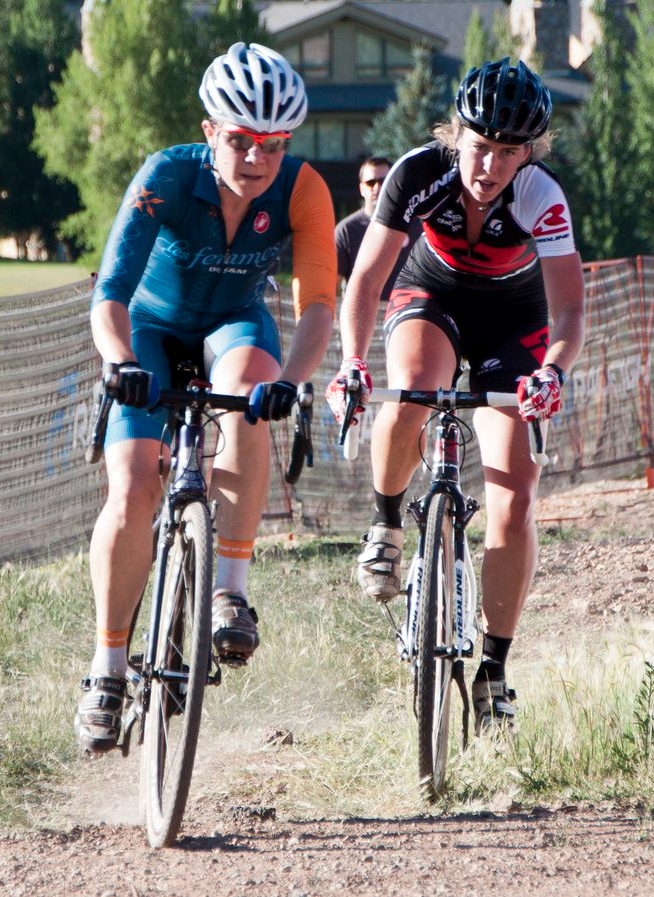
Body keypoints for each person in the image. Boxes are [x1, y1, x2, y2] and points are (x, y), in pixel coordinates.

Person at [74, 43, 337, 754]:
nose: (256, 157)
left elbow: (317, 309)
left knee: (253, 392)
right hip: (151, 330)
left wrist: (293, 380)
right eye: (240, 139)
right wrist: (121, 360)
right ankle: (107, 668)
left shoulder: (303, 191)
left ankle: (230, 586)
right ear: (210, 128)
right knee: (132, 486)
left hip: (231, 326)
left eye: (273, 145)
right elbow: (111, 293)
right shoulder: (166, 175)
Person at [326, 58, 585, 732]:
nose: (491, 165)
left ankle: (494, 669)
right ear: (454, 134)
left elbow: (570, 315)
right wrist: (352, 360)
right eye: (480, 146)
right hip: (430, 295)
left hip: (513, 321)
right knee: (412, 393)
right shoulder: (417, 174)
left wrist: (551, 371)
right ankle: (385, 523)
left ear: (529, 152)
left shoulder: (541, 198)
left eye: (509, 152)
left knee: (515, 497)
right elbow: (365, 279)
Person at [334, 156, 422, 303]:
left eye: (384, 181)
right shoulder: (346, 230)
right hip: (363, 316)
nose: (377, 187)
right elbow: (331, 284)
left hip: (406, 314)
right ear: (362, 188)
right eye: (370, 183)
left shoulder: (415, 224)